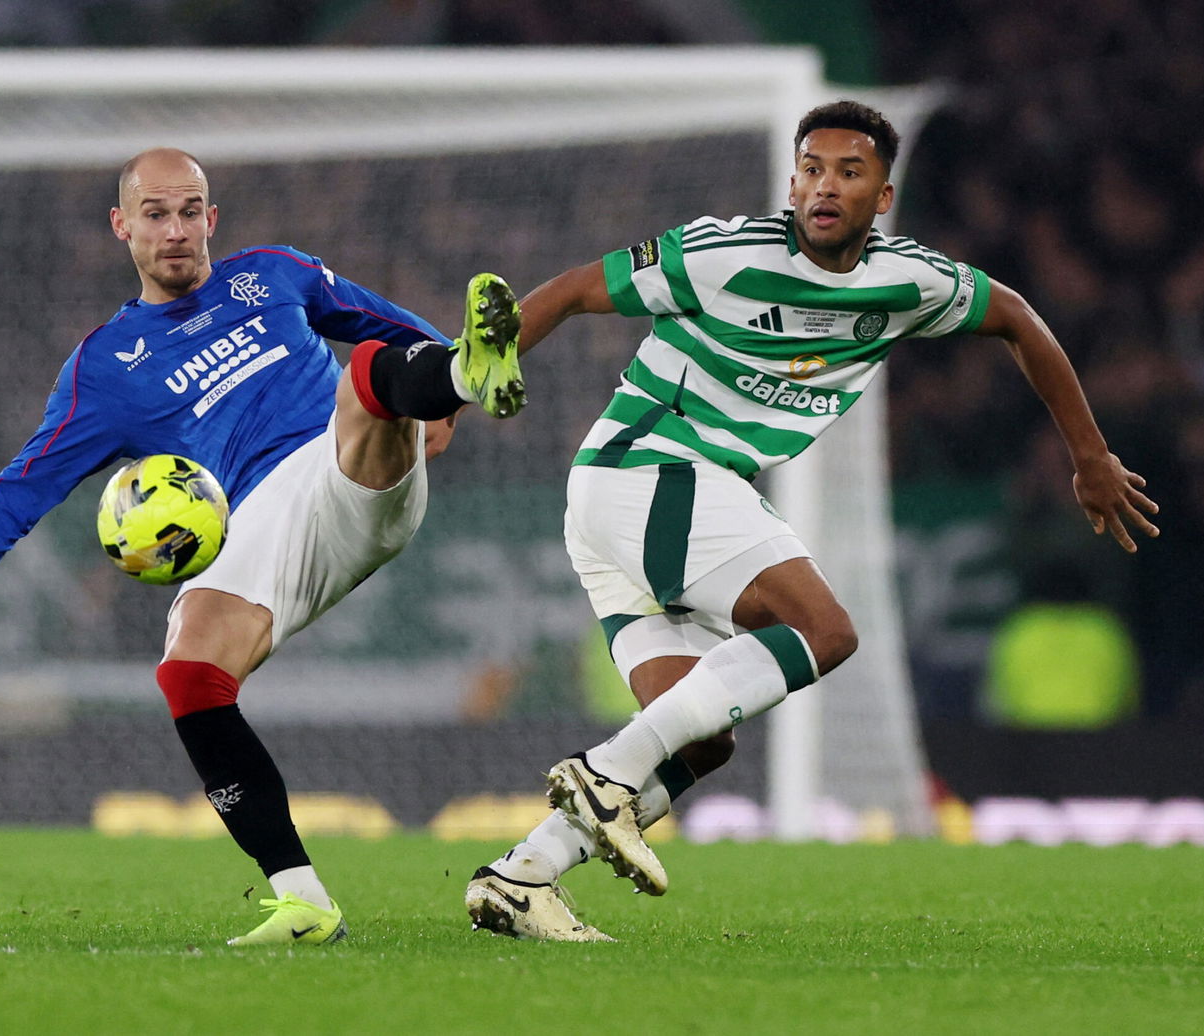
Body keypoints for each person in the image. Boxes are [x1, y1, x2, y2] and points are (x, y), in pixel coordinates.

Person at [465, 100, 1161, 941]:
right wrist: (459, 389)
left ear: (883, 197)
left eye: (849, 172)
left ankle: (522, 876)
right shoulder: (723, 253)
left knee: (699, 740)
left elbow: (1016, 316)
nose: (825, 186)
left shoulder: (907, 281)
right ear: (792, 183)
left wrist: (1090, 454)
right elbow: (578, 289)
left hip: (638, 500)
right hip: (651, 468)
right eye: (811, 169)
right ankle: (606, 773)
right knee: (825, 632)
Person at [0, 147, 525, 947]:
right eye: (155, 213)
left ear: (212, 218)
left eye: (190, 211)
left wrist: (448, 393)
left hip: (344, 466)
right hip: (257, 526)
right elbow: (24, 485)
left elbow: (400, 335)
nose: (176, 230)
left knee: (365, 370)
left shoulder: (273, 274)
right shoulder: (105, 368)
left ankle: (459, 379)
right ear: (122, 226)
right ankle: (303, 902)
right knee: (187, 675)